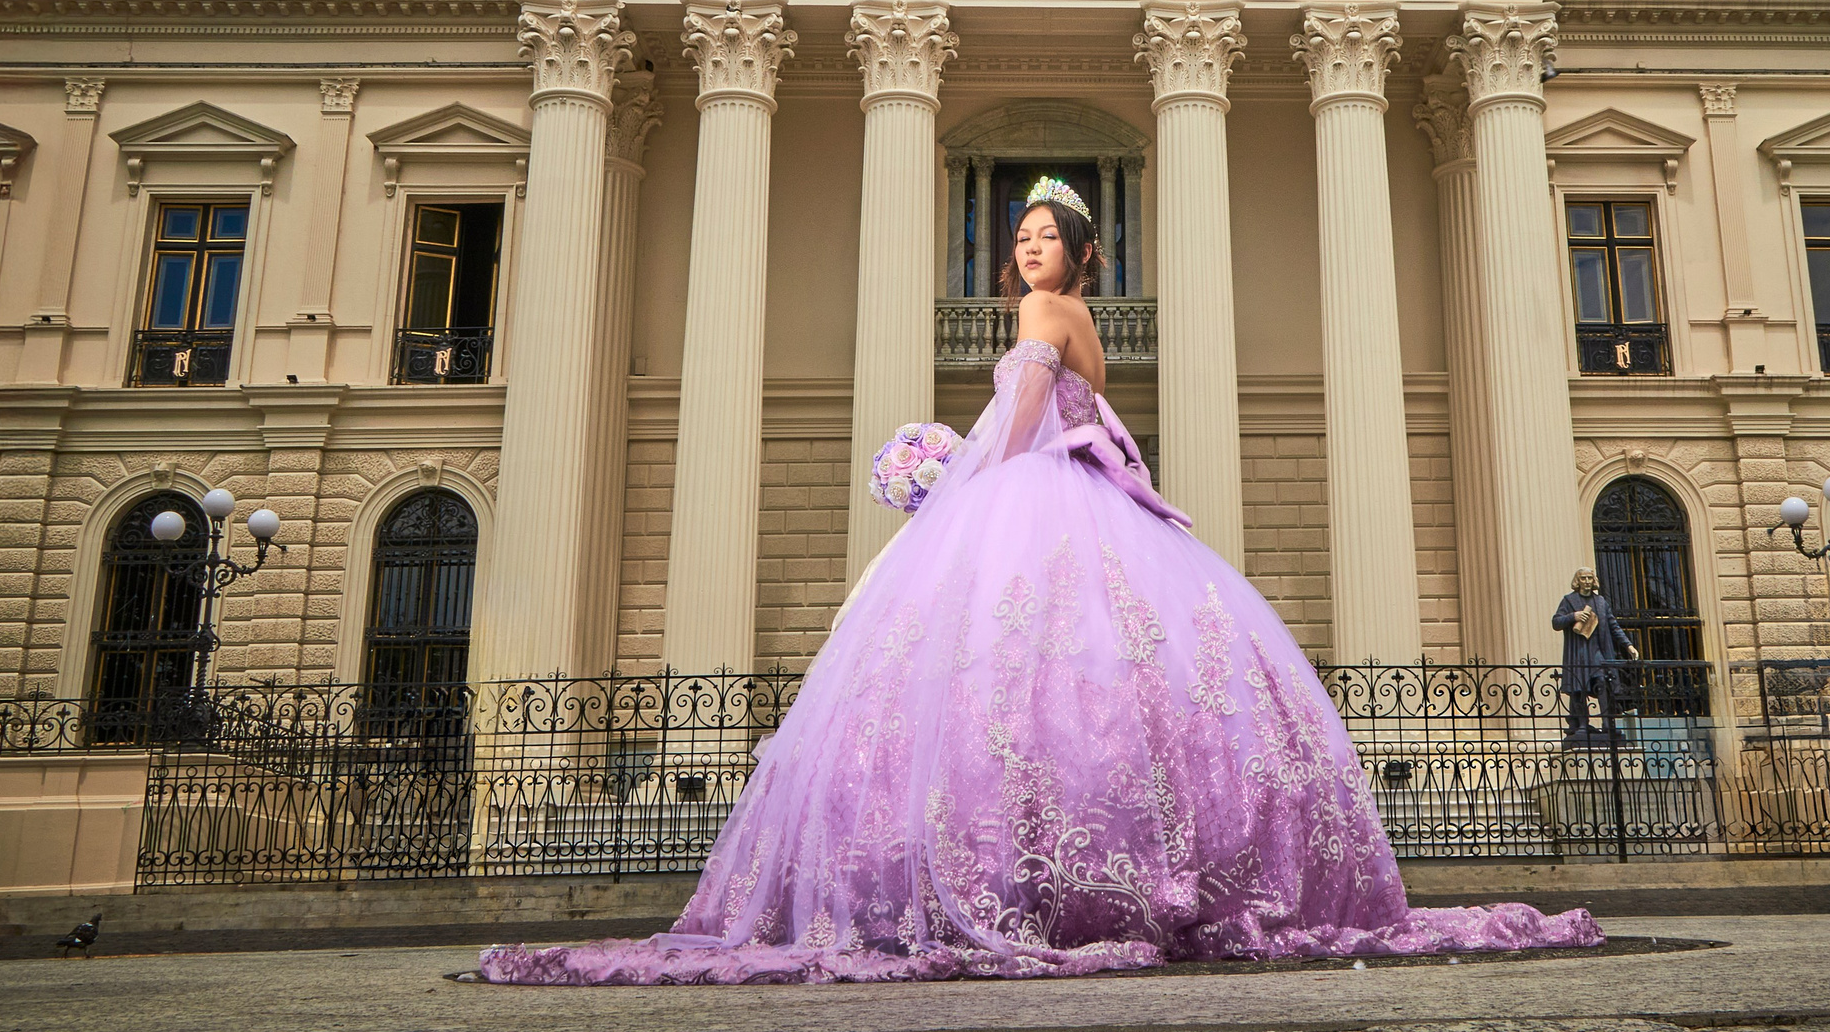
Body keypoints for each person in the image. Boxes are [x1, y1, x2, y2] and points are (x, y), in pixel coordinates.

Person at [480, 177, 1601, 984]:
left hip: (1031, 489)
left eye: (1042, 234)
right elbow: (1092, 416)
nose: (1024, 249)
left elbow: (1021, 418)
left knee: (984, 684)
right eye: (1014, 235)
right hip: (1088, 498)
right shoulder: (1087, 326)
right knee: (1097, 685)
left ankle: (1001, 878)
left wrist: (958, 484)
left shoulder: (1037, 318)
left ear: (1074, 248)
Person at [1552, 567, 1638, 742]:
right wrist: (1573, 616)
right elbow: (1556, 622)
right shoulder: (1569, 601)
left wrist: (1628, 645)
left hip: (1598, 651)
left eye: (1589, 578)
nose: (1586, 581)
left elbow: (1614, 626)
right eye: (1583, 578)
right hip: (1578, 652)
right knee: (1579, 686)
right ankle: (1582, 724)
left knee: (1603, 682)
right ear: (1577, 581)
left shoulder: (1601, 602)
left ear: (1594, 581)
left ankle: (1607, 723)